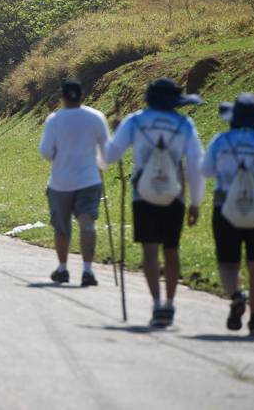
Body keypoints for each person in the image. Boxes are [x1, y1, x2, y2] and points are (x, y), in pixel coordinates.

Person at [105, 77, 204, 328]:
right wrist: (196, 202)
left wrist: (115, 132)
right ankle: (170, 305)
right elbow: (194, 164)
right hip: (175, 195)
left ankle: (157, 304)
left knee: (149, 250)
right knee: (171, 250)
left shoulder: (135, 121)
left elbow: (110, 155)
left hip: (143, 194)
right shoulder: (184, 124)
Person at [200, 93, 254, 337]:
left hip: (225, 207)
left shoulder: (222, 141)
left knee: (228, 262)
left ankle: (237, 296)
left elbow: (206, 171)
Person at [38, 79, 110, 287]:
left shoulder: (54, 119)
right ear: (82, 96)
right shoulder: (96, 117)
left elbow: (46, 152)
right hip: (89, 180)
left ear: (62, 97)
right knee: (87, 224)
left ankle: (62, 269)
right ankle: (87, 270)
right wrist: (100, 165)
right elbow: (106, 152)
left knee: (62, 227)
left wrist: (60, 158)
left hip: (61, 181)